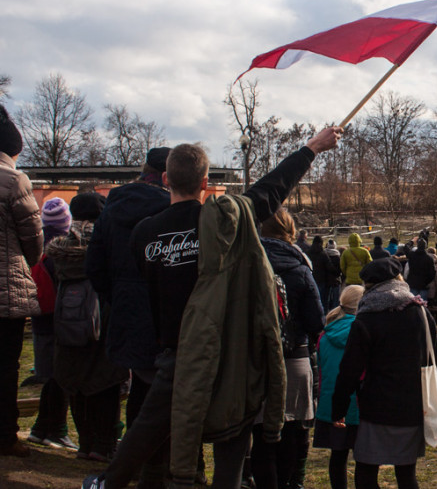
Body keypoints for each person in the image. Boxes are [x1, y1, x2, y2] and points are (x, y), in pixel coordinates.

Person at [82, 127, 341, 489]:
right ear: (206, 182)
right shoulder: (223, 223)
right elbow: (270, 190)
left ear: (167, 178)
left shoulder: (144, 233)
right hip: (224, 349)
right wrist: (312, 148)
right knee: (231, 436)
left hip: (172, 349)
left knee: (149, 426)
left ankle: (110, 482)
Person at [84, 148, 171, 479]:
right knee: (160, 390)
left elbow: (96, 264)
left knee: (141, 387)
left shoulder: (112, 207)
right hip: (162, 313)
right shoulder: (172, 209)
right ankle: (153, 465)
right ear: (168, 176)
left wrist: (117, 298)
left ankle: (132, 463)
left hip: (126, 308)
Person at [331, 258, 437, 489]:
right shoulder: (420, 312)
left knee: (366, 472)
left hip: (377, 405)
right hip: (411, 404)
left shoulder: (367, 318)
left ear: (368, 287)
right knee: (406, 473)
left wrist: (338, 408)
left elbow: (350, 369)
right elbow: (434, 359)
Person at [51, 193, 129, 463]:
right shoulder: (107, 244)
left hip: (67, 320)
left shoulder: (59, 248)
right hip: (102, 320)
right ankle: (104, 444)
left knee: (75, 382)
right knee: (104, 382)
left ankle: (84, 443)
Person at [252, 208, 325, 489]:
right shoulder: (299, 266)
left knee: (261, 434)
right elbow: (316, 320)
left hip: (256, 358)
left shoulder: (247, 261)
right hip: (294, 356)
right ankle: (288, 482)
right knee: (294, 430)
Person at [0, 104, 43, 458]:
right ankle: (4, 436)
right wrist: (26, 265)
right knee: (6, 365)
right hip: (5, 289)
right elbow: (33, 236)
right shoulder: (14, 180)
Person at [26, 198, 76, 452]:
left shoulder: (36, 248)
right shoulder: (62, 253)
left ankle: (40, 429)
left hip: (39, 320)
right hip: (58, 322)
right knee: (62, 378)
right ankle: (55, 431)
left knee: (51, 379)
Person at [314, 285, 365, 489]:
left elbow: (321, 370)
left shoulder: (325, 335)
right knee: (364, 459)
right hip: (358, 401)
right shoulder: (363, 331)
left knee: (338, 455)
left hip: (331, 399)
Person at [308, 235, 342, 312]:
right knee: (323, 300)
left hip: (311, 279)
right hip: (322, 280)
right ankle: (324, 316)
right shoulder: (323, 254)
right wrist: (337, 272)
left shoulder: (308, 253)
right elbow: (330, 267)